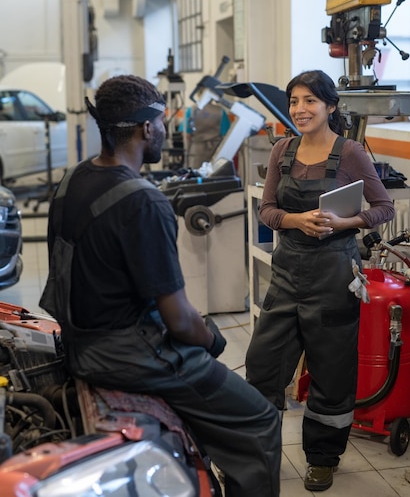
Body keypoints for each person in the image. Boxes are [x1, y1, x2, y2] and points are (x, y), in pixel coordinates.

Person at [42, 74, 281, 497]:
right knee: (259, 419)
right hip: (129, 355)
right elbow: (180, 320)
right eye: (163, 123)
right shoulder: (142, 201)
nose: (167, 130)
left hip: (78, 342)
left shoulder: (70, 181)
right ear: (146, 128)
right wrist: (212, 341)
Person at [245, 69, 395, 492]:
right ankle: (258, 453)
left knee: (331, 374)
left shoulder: (350, 154)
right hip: (288, 276)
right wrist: (295, 220)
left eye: (310, 100)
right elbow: (267, 210)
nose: (300, 109)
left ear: (331, 106)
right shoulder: (282, 150)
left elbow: (382, 206)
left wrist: (345, 220)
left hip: (333, 278)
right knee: (262, 366)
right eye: (294, 101)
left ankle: (323, 459)